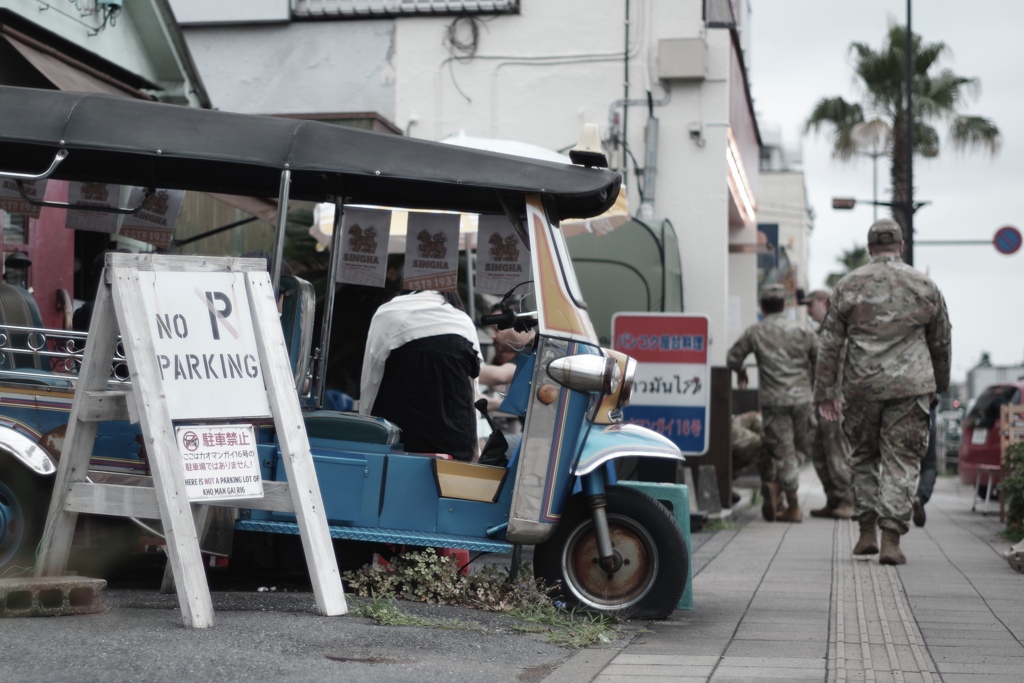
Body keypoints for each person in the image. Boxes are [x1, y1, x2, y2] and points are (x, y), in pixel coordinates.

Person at [815, 218, 951, 565]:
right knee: (902, 461)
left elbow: (829, 342)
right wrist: (940, 384)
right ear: (901, 247)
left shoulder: (848, 285)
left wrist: (825, 393)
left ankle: (865, 534)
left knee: (863, 458)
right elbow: (941, 341)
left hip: (862, 386)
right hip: (911, 387)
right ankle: (891, 539)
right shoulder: (924, 285)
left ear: (869, 248)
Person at [727, 283, 818, 523]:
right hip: (803, 399)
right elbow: (821, 358)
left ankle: (791, 503)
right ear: (785, 305)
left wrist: (741, 371)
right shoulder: (803, 330)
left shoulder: (756, 331)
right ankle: (785, 495)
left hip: (774, 401)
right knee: (797, 451)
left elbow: (732, 357)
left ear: (762, 307)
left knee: (784, 451)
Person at [359, 289, 482, 461]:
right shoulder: (463, 322)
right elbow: (472, 386)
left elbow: (371, 379)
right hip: (455, 446)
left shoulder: (388, 315)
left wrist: (366, 429)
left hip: (396, 444)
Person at [803, 289, 854, 519]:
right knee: (819, 451)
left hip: (835, 401)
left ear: (824, 303)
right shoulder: (820, 332)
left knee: (836, 451)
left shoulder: (838, 331)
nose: (807, 309)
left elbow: (841, 367)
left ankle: (846, 500)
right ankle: (833, 499)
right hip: (820, 401)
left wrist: (835, 397)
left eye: (810, 304)